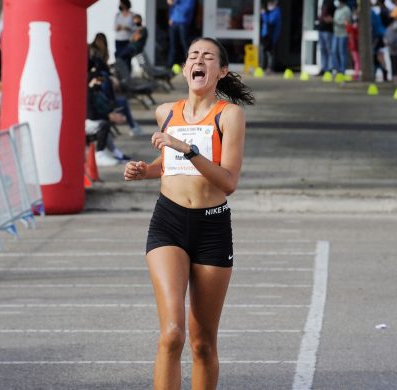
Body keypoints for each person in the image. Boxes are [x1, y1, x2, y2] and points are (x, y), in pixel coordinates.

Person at [124, 37, 254, 389]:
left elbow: (227, 181)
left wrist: (188, 149)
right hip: (168, 222)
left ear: (221, 71)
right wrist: (145, 170)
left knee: (202, 344)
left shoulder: (230, 115)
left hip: (212, 228)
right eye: (193, 55)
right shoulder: (166, 111)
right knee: (171, 334)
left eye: (208, 56)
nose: (199, 60)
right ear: (186, 69)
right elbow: (167, 166)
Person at [87, 69, 131, 166]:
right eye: (97, 80)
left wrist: (111, 114)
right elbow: (91, 115)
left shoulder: (95, 92)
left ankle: (116, 153)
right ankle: (100, 154)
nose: (99, 83)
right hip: (85, 122)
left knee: (104, 125)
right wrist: (109, 117)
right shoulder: (87, 93)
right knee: (103, 125)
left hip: (93, 120)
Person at [166, 0, 196, 68]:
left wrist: (174, 3)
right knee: (172, 45)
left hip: (183, 24)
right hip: (173, 23)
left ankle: (190, 64)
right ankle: (169, 65)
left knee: (185, 44)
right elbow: (171, 9)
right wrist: (170, 17)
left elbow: (185, 11)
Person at [260, 0, 282, 74]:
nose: (269, 5)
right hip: (265, 35)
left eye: (270, 4)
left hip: (271, 37)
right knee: (264, 51)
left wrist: (263, 14)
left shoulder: (276, 12)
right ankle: (263, 67)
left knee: (270, 53)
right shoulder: (270, 12)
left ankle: (270, 68)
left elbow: (269, 22)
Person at [316, 0, 336, 76]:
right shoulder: (323, 2)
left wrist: (331, 19)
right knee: (322, 49)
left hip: (328, 30)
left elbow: (334, 16)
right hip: (321, 29)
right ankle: (323, 68)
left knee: (329, 49)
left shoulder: (332, 2)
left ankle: (330, 68)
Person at [332, 0, 351, 75]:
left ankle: (342, 70)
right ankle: (337, 69)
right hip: (336, 33)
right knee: (334, 52)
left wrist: (334, 21)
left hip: (343, 34)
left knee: (342, 52)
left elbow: (345, 22)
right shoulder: (337, 9)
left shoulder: (347, 10)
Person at [345, 11, 360, 80]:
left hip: (356, 46)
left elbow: (351, 30)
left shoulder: (355, 26)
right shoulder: (353, 26)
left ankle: (356, 75)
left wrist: (347, 24)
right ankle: (356, 74)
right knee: (356, 61)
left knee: (356, 61)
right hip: (353, 46)